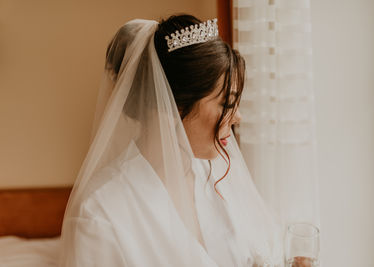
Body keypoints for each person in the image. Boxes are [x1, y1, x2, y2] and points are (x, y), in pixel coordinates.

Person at [58, 14, 284, 267]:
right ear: (172, 107)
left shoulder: (216, 172)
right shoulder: (99, 213)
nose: (238, 117)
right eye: (226, 103)